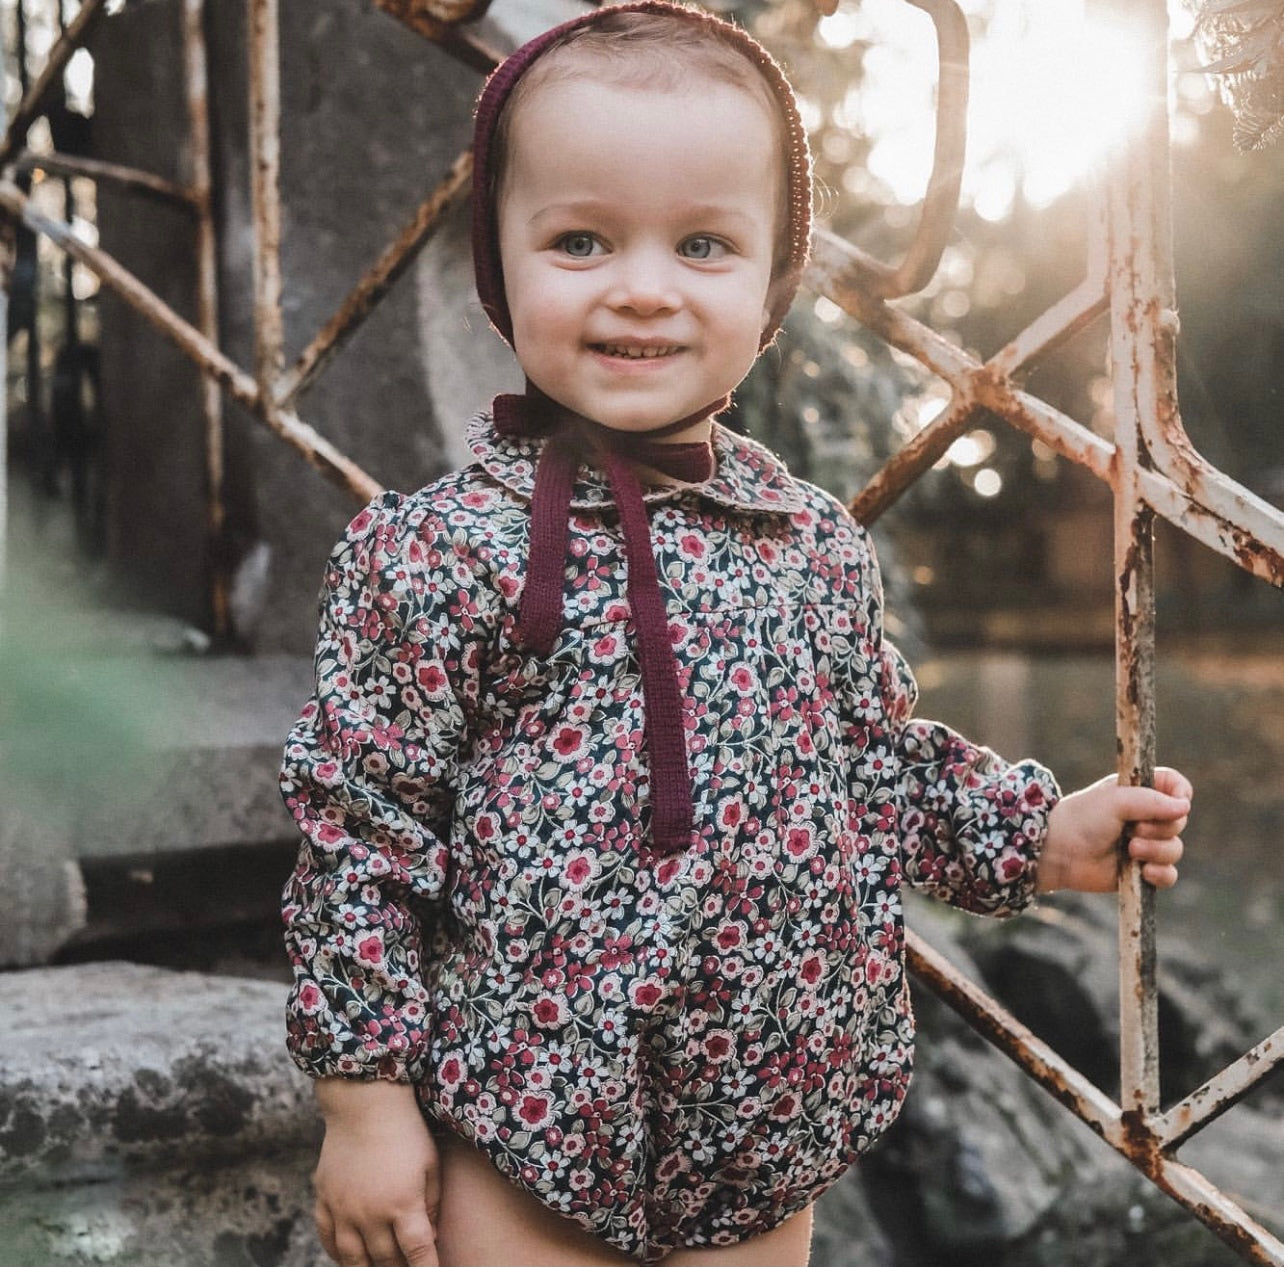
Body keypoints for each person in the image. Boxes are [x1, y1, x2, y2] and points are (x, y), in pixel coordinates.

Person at [279, 5, 1192, 1265]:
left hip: (766, 1111)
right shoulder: (434, 551)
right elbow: (361, 836)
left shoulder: (809, 542)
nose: (642, 287)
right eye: (582, 239)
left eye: (703, 243)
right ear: (501, 267)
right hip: (525, 1111)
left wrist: (1039, 833)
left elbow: (873, 767)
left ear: (772, 286)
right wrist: (364, 1101)